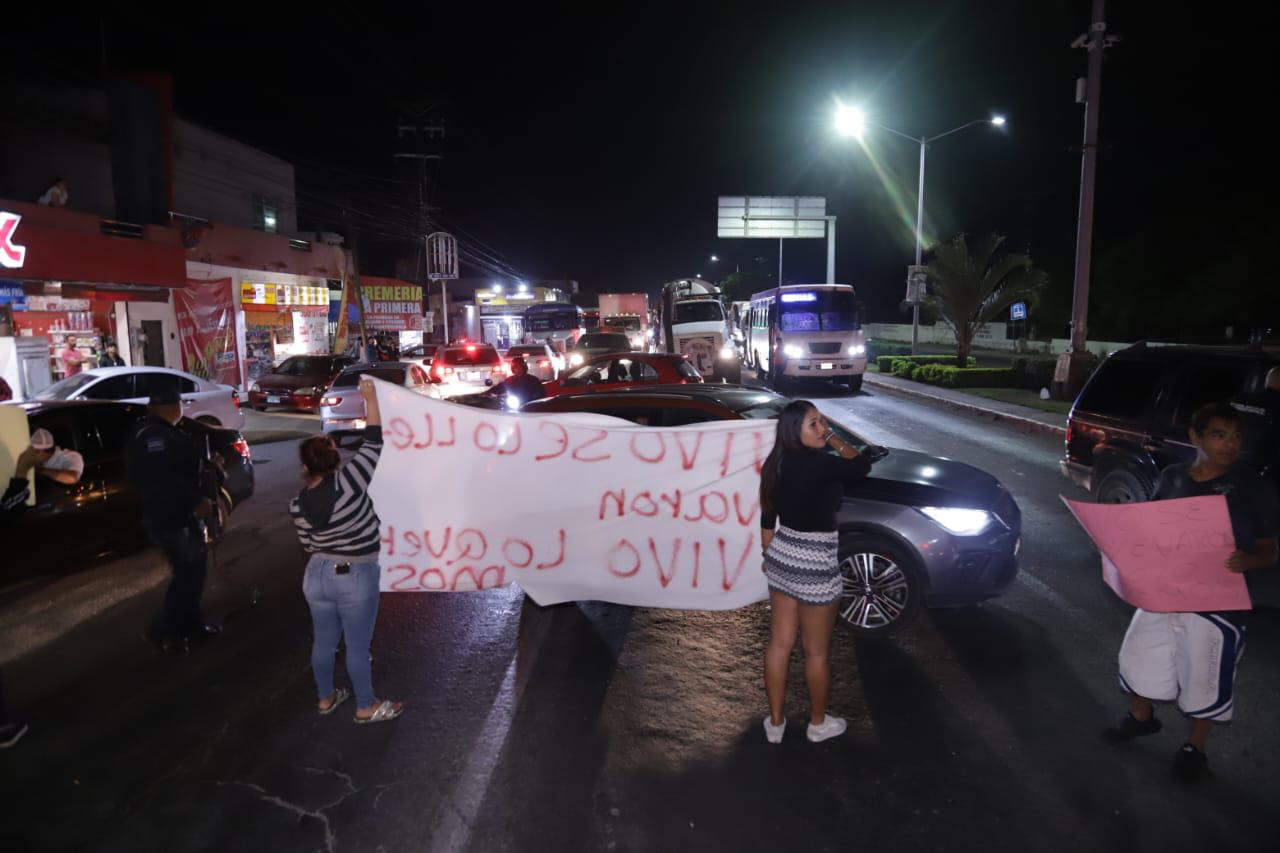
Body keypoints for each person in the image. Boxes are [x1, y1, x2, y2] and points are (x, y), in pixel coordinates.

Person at [1104, 402, 1278, 783]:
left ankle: (1194, 748)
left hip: (1219, 603)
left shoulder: (1252, 486)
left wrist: (1250, 559)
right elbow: (1151, 529)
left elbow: (1270, 548)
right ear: (1196, 437)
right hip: (1165, 592)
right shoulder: (1173, 477)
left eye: (1236, 437)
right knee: (1137, 657)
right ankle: (1141, 718)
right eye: (1219, 435)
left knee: (1205, 676)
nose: (1230, 444)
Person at [290, 377, 404, 724]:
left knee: (324, 642)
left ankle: (325, 698)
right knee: (357, 647)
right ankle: (366, 706)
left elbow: (309, 544)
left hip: (317, 575)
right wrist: (370, 397)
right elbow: (374, 441)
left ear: (306, 467)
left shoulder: (298, 503)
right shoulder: (351, 482)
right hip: (355, 575)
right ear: (334, 460)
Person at [759, 401, 869, 744]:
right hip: (816, 565)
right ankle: (817, 725)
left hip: (782, 557)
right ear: (795, 430)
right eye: (813, 424)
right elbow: (861, 464)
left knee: (779, 644)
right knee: (816, 652)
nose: (821, 428)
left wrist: (770, 556)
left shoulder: (773, 464)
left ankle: (775, 724)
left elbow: (767, 521)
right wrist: (834, 437)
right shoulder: (824, 464)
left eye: (822, 422)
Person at [125, 387, 218, 654]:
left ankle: (191, 628)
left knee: (192, 573)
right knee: (188, 575)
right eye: (179, 404)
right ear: (170, 406)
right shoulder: (154, 436)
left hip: (173, 514)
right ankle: (164, 630)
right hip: (171, 516)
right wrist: (194, 502)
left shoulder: (157, 431)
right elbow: (163, 481)